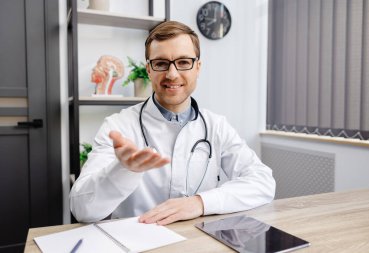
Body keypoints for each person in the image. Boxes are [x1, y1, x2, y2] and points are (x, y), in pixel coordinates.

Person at [70, 21, 276, 225]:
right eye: (160, 63)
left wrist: (200, 203)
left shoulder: (216, 126)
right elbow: (82, 210)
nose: (172, 74)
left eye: (184, 62)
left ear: (198, 67)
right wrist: (123, 170)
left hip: (199, 240)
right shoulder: (118, 126)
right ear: (148, 70)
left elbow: (263, 182)